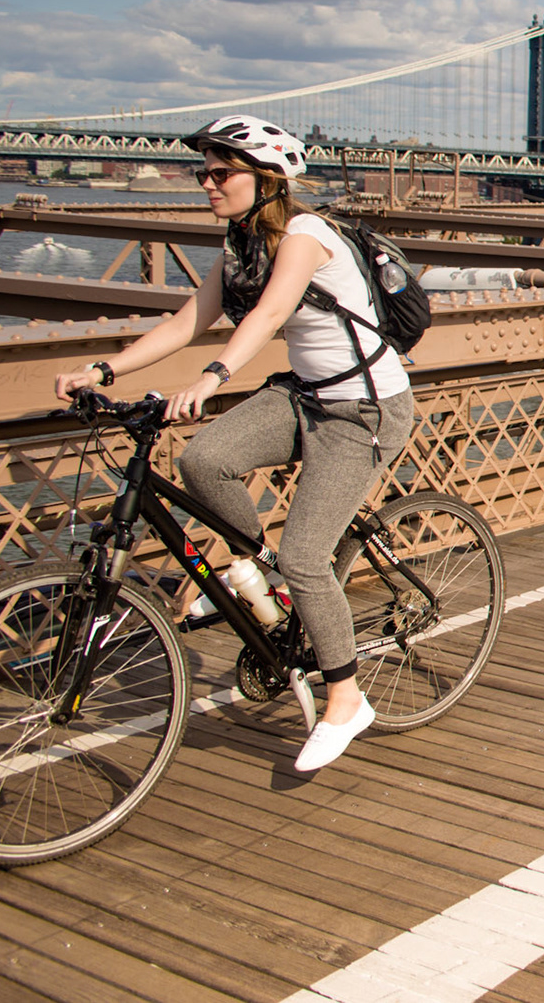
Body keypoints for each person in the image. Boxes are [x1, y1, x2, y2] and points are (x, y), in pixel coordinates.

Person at [54, 115, 415, 774]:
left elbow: (271, 313)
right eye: (205, 173)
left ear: (268, 180)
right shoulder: (242, 244)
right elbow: (186, 322)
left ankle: (346, 700)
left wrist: (213, 377)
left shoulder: (306, 235)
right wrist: (104, 370)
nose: (208, 183)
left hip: (364, 408)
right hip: (305, 395)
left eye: (222, 173)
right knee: (203, 460)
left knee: (305, 556)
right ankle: (259, 573)